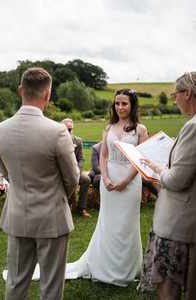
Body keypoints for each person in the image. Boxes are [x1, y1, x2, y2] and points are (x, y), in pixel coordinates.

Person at [0, 67, 79, 300]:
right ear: (48, 94)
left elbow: (6, 173)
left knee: (16, 282)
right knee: (51, 286)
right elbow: (72, 177)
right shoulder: (57, 131)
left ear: (20, 90)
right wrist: (59, 194)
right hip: (52, 217)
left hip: (18, 213)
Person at [65, 89, 148, 286]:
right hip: (108, 180)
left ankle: (125, 270)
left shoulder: (140, 130)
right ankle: (104, 266)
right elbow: (103, 155)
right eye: (117, 103)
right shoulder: (109, 127)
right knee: (108, 223)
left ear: (132, 105)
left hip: (130, 181)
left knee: (127, 225)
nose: (120, 107)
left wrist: (125, 181)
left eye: (124, 103)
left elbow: (142, 160)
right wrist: (106, 178)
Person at [139, 72, 196, 300]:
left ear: (188, 93)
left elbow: (177, 180)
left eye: (175, 95)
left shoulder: (192, 127)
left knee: (169, 288)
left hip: (179, 225)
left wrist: (159, 169)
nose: (174, 100)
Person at [61, 118, 91, 218]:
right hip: (61, 172)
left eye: (70, 129)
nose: (69, 132)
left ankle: (81, 208)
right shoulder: (57, 140)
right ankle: (63, 208)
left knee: (86, 179)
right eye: (66, 129)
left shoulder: (78, 141)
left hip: (75, 171)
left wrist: (78, 170)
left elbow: (81, 159)